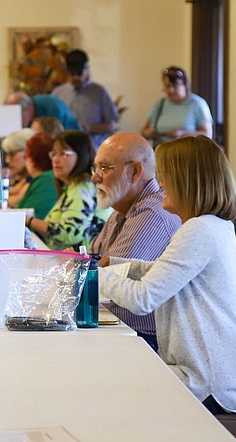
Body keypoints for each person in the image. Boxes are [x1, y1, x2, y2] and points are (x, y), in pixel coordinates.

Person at [97, 136, 236, 414]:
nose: (160, 185)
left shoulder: (198, 230)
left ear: (188, 182)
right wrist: (116, 263)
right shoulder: (215, 226)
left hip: (210, 384)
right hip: (218, 373)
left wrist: (92, 274)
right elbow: (172, 273)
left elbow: (143, 298)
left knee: (108, 385)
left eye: (166, 177)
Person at [89, 133, 181, 350]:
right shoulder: (122, 207)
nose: (95, 177)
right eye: (95, 168)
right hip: (120, 327)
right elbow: (95, 261)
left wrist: (84, 268)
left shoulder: (152, 213)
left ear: (135, 172)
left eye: (104, 168)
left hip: (144, 338)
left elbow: (109, 278)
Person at [26, 130, 109, 251]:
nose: (56, 159)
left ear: (81, 156)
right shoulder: (73, 187)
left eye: (63, 153)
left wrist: (27, 220)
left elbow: (68, 234)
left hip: (83, 266)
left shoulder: (83, 187)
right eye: (53, 154)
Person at [52, 49, 119, 149]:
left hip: (93, 148)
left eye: (79, 73)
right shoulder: (58, 93)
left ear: (87, 68)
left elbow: (112, 126)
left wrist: (90, 127)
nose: (75, 78)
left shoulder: (100, 92)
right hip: (66, 149)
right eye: (72, 74)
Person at [141, 66, 213, 147]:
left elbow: (207, 134)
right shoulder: (160, 104)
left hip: (187, 153)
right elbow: (144, 132)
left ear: (185, 85)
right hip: (161, 153)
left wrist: (183, 134)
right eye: (167, 86)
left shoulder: (197, 104)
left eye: (175, 86)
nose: (171, 90)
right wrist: (151, 133)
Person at [16, 131, 58, 220]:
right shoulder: (48, 178)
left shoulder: (44, 180)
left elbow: (20, 215)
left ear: (32, 159)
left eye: (26, 157)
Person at [5, 90, 81, 131]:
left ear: (29, 109)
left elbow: (54, 134)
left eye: (20, 117)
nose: (19, 122)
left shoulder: (52, 109)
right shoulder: (28, 108)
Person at [1, 128, 36, 208]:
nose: (7, 160)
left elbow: (11, 202)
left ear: (28, 152)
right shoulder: (23, 181)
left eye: (12, 154)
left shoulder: (36, 180)